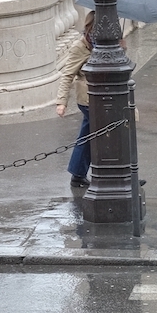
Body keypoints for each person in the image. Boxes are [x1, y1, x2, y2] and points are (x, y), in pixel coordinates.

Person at [52, 12, 95, 191]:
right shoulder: (80, 47)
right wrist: (61, 102)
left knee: (89, 135)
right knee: (102, 135)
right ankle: (122, 175)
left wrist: (122, 47)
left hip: (106, 96)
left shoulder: (109, 43)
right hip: (88, 99)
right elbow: (68, 74)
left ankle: (78, 174)